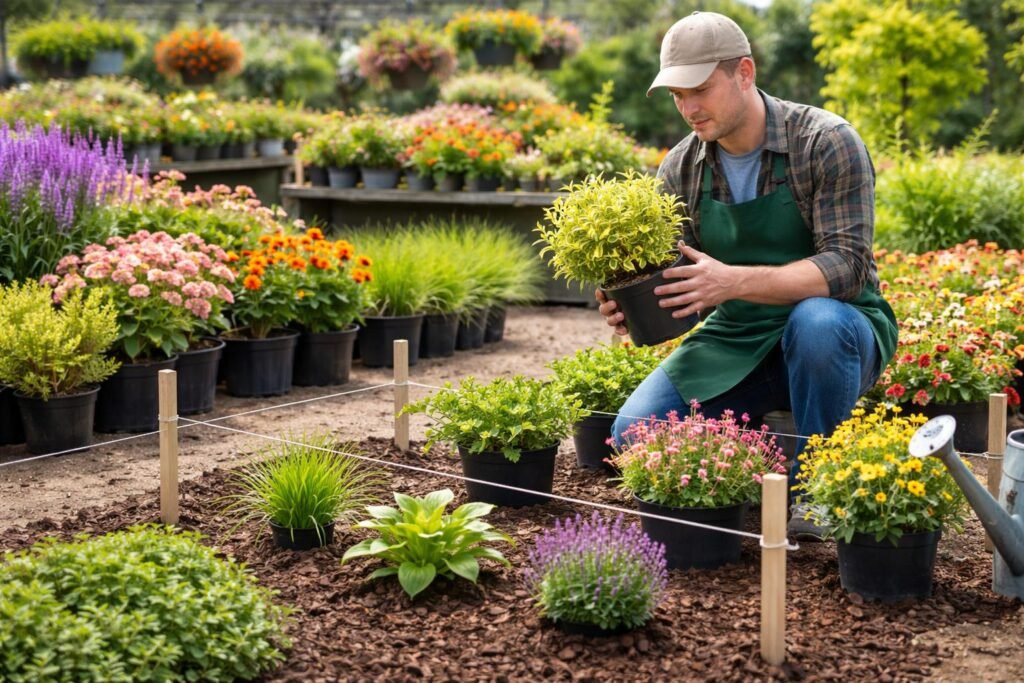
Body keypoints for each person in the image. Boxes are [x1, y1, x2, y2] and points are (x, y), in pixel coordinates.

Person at [596, 11, 898, 538]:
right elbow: (687, 282)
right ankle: (749, 472)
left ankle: (816, 493)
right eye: (676, 95)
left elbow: (847, 267)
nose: (688, 107)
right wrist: (632, 302)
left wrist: (732, 281)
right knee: (633, 433)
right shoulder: (681, 169)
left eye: (699, 89)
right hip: (740, 336)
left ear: (744, 73)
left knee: (817, 324)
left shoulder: (824, 142)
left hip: (839, 327)